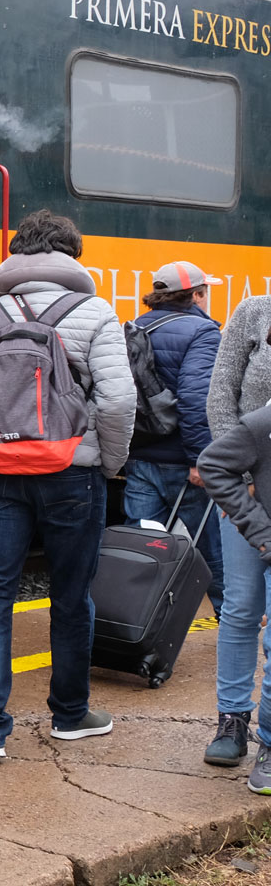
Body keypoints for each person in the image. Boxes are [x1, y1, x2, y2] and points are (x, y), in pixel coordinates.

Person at [0, 209, 134, 761]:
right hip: (73, 472)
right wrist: (108, 462)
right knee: (71, 597)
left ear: (17, 255)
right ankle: (71, 716)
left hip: (2, 476)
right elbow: (118, 401)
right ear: (72, 255)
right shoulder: (95, 312)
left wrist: (1, 434)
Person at [121, 260, 223, 615]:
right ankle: (232, 628)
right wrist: (200, 459)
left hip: (141, 458)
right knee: (212, 554)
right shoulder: (203, 332)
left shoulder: (135, 328)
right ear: (195, 295)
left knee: (141, 554)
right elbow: (196, 400)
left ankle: (132, 628)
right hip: (183, 462)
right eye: (205, 292)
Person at [200, 291, 271, 770]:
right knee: (241, 607)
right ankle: (232, 720)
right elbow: (220, 395)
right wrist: (242, 483)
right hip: (247, 492)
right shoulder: (254, 311)